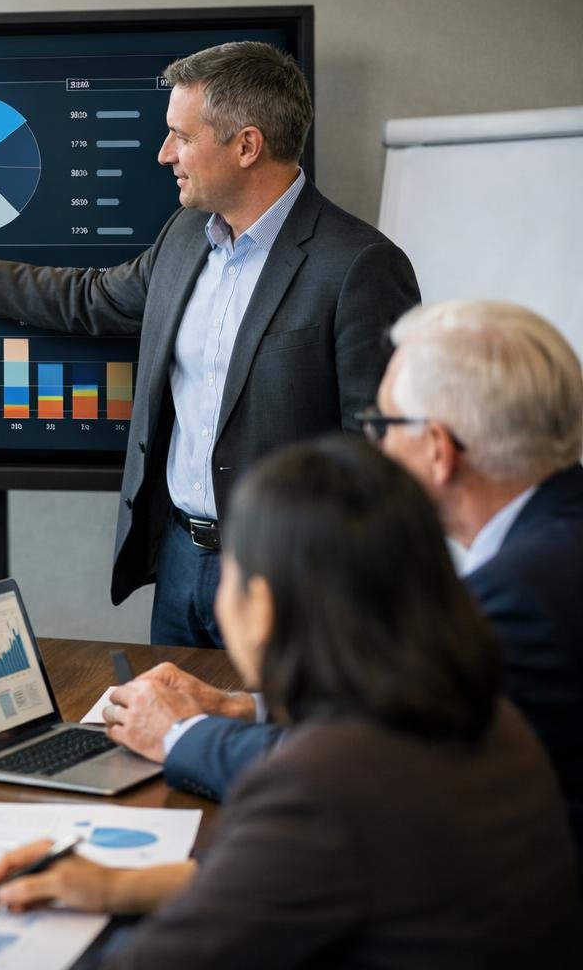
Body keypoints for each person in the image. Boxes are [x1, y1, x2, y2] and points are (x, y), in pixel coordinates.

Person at [0, 42, 419, 646]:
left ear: (247, 145)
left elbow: (384, 454)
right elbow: (92, 298)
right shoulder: (186, 234)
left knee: (274, 738)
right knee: (169, 731)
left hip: (291, 580)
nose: (165, 154)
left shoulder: (359, 265)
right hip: (180, 560)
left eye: (181, 135)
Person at [0, 437, 578, 967]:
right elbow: (282, 885)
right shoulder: (478, 716)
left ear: (262, 607)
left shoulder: (324, 784)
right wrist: (115, 890)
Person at [107, 301, 583, 869]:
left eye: (382, 426)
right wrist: (248, 709)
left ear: (438, 449)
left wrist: (178, 735)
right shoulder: (550, 543)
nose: (373, 448)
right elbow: (398, 722)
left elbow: (364, 775)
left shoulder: (518, 601)